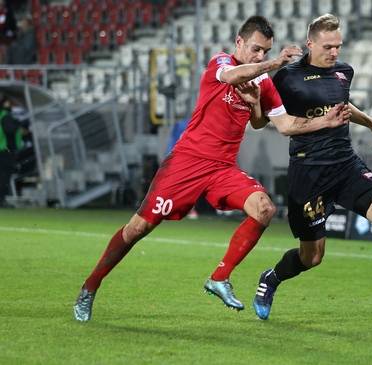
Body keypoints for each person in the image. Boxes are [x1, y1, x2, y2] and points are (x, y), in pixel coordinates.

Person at [73, 15, 351, 322]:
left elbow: (271, 124)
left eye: (265, 51)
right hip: (187, 163)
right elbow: (231, 76)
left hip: (222, 169)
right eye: (256, 49)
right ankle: (90, 285)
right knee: (139, 228)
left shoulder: (263, 83)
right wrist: (275, 63)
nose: (260, 55)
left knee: (264, 209)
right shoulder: (220, 63)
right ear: (239, 42)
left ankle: (219, 277)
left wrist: (306, 115)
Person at [250, 14, 372, 323]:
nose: (335, 53)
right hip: (309, 172)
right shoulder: (288, 78)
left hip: (345, 165)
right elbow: (264, 120)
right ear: (311, 44)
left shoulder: (345, 72)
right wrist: (254, 104)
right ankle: (272, 278)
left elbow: (344, 106)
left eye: (338, 46)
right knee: (312, 257)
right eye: (328, 46)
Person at [0, 94, 24, 206]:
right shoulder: (5, 116)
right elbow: (10, 131)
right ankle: (1, 200)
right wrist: (19, 124)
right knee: (4, 176)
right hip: (5, 150)